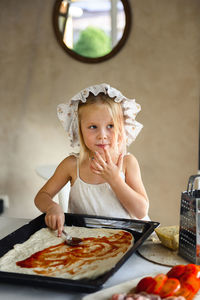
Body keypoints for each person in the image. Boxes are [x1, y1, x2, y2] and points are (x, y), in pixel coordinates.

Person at [34, 83, 149, 236]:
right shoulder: (71, 165)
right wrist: (51, 207)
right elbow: (41, 196)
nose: (102, 135)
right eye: (93, 127)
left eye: (110, 126)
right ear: (79, 129)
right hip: (87, 242)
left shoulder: (127, 162)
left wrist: (115, 179)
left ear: (122, 127)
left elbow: (141, 211)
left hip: (127, 238)